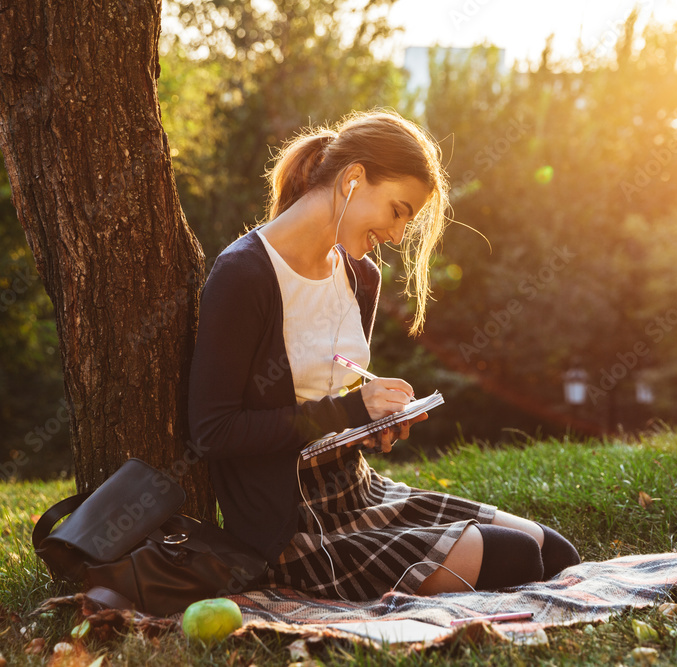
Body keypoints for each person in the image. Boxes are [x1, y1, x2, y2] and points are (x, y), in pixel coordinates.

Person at [187, 108, 580, 601]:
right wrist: (352, 410)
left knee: (555, 550)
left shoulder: (360, 275)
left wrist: (374, 427)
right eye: (398, 211)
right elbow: (212, 432)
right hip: (294, 526)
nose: (397, 236)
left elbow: (339, 404)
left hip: (359, 492)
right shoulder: (244, 274)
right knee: (516, 557)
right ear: (353, 178)